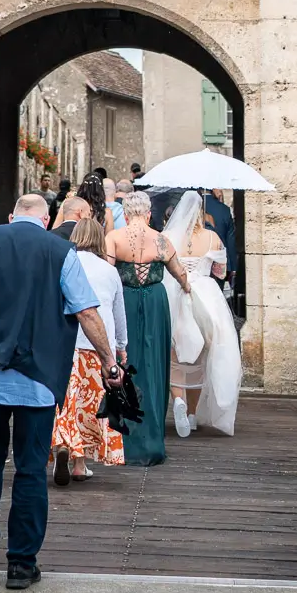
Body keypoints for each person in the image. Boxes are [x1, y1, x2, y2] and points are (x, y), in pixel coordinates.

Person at [0, 192, 120, 590]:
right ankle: (21, 561)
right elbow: (86, 311)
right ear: (47, 220)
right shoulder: (60, 251)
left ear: (11, 217)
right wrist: (109, 362)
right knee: (30, 467)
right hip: (39, 375)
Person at [107, 186, 189, 466]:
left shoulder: (113, 238)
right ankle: (152, 441)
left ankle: (123, 442)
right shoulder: (161, 240)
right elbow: (180, 273)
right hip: (155, 303)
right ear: (149, 213)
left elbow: (108, 276)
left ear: (126, 213)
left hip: (125, 302)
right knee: (154, 364)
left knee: (125, 364)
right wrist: (188, 288)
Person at [162, 190, 243, 438]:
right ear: (201, 213)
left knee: (175, 352)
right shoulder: (212, 237)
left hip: (174, 294)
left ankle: (178, 401)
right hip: (205, 296)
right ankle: (193, 415)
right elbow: (220, 272)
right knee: (203, 353)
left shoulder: (166, 238)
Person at [52, 218, 127, 485]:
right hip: (96, 346)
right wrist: (120, 347)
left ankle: (62, 442)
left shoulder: (64, 264)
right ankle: (79, 465)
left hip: (66, 342)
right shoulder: (109, 270)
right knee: (87, 407)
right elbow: (118, 313)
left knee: (65, 402)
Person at [202, 187, 237, 282]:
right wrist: (232, 267)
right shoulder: (224, 210)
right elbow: (230, 239)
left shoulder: (192, 207)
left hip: (197, 262)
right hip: (219, 261)